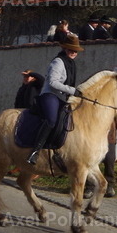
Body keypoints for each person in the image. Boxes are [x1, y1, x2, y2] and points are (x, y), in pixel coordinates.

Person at [28, 35, 83, 164]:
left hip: (63, 97)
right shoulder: (58, 61)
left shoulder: (71, 64)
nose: (73, 53)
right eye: (71, 50)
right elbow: (53, 82)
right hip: (50, 95)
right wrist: (72, 90)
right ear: (64, 48)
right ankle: (35, 151)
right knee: (51, 120)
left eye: (75, 51)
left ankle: (57, 150)